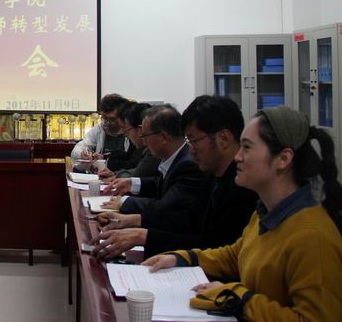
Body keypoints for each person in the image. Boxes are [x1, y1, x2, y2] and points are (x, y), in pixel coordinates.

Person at [143, 106, 342, 321]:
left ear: (283, 159)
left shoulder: (313, 237)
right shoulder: (266, 212)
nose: (237, 156)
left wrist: (239, 298)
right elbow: (236, 254)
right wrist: (184, 257)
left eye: (246, 147)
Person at [91, 96, 258, 259]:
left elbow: (216, 246)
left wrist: (143, 236)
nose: (191, 150)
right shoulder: (213, 173)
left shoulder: (244, 186)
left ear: (224, 138)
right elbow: (187, 219)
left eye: (194, 140)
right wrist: (134, 222)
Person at [100, 105, 209, 228]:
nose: (144, 142)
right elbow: (160, 184)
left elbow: (166, 207)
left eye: (145, 136)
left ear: (163, 137)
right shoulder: (178, 157)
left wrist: (124, 202)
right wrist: (132, 183)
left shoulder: (189, 165)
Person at [70, 94, 134, 170]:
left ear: (122, 117)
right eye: (104, 118)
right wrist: (82, 154)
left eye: (112, 119)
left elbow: (132, 163)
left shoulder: (131, 131)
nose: (107, 123)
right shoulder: (99, 129)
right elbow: (77, 149)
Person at [97, 102, 159, 181]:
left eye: (125, 128)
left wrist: (116, 176)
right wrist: (116, 174)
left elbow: (138, 173)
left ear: (140, 129)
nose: (125, 134)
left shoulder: (153, 151)